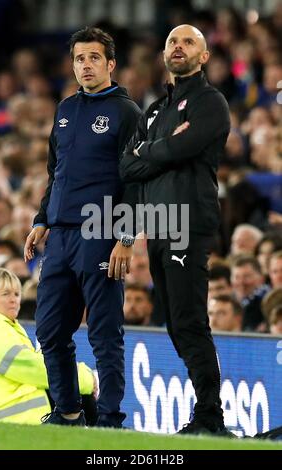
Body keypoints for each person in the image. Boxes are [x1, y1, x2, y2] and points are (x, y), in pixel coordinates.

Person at [24, 27, 141, 427]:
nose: (85, 65)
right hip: (60, 236)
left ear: (110, 64)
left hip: (101, 233)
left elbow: (136, 182)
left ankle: (109, 421)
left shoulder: (127, 113)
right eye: (79, 58)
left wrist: (125, 238)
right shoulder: (65, 109)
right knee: (51, 330)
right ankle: (69, 411)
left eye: (93, 58)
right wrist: (42, 218)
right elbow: (56, 172)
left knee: (104, 333)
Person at [120, 25, 232, 435]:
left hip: (187, 220)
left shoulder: (210, 102)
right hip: (158, 224)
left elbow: (183, 147)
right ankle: (206, 412)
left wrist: (147, 150)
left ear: (204, 56)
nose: (178, 47)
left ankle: (210, 416)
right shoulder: (152, 111)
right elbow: (126, 168)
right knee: (174, 320)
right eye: (172, 42)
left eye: (188, 42)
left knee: (188, 319)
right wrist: (157, 149)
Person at [0, 268, 96, 425]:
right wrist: (85, 378)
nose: (13, 300)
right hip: (14, 417)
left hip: (13, 415)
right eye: (5, 294)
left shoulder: (8, 326)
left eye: (17, 294)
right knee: (76, 391)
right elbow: (34, 368)